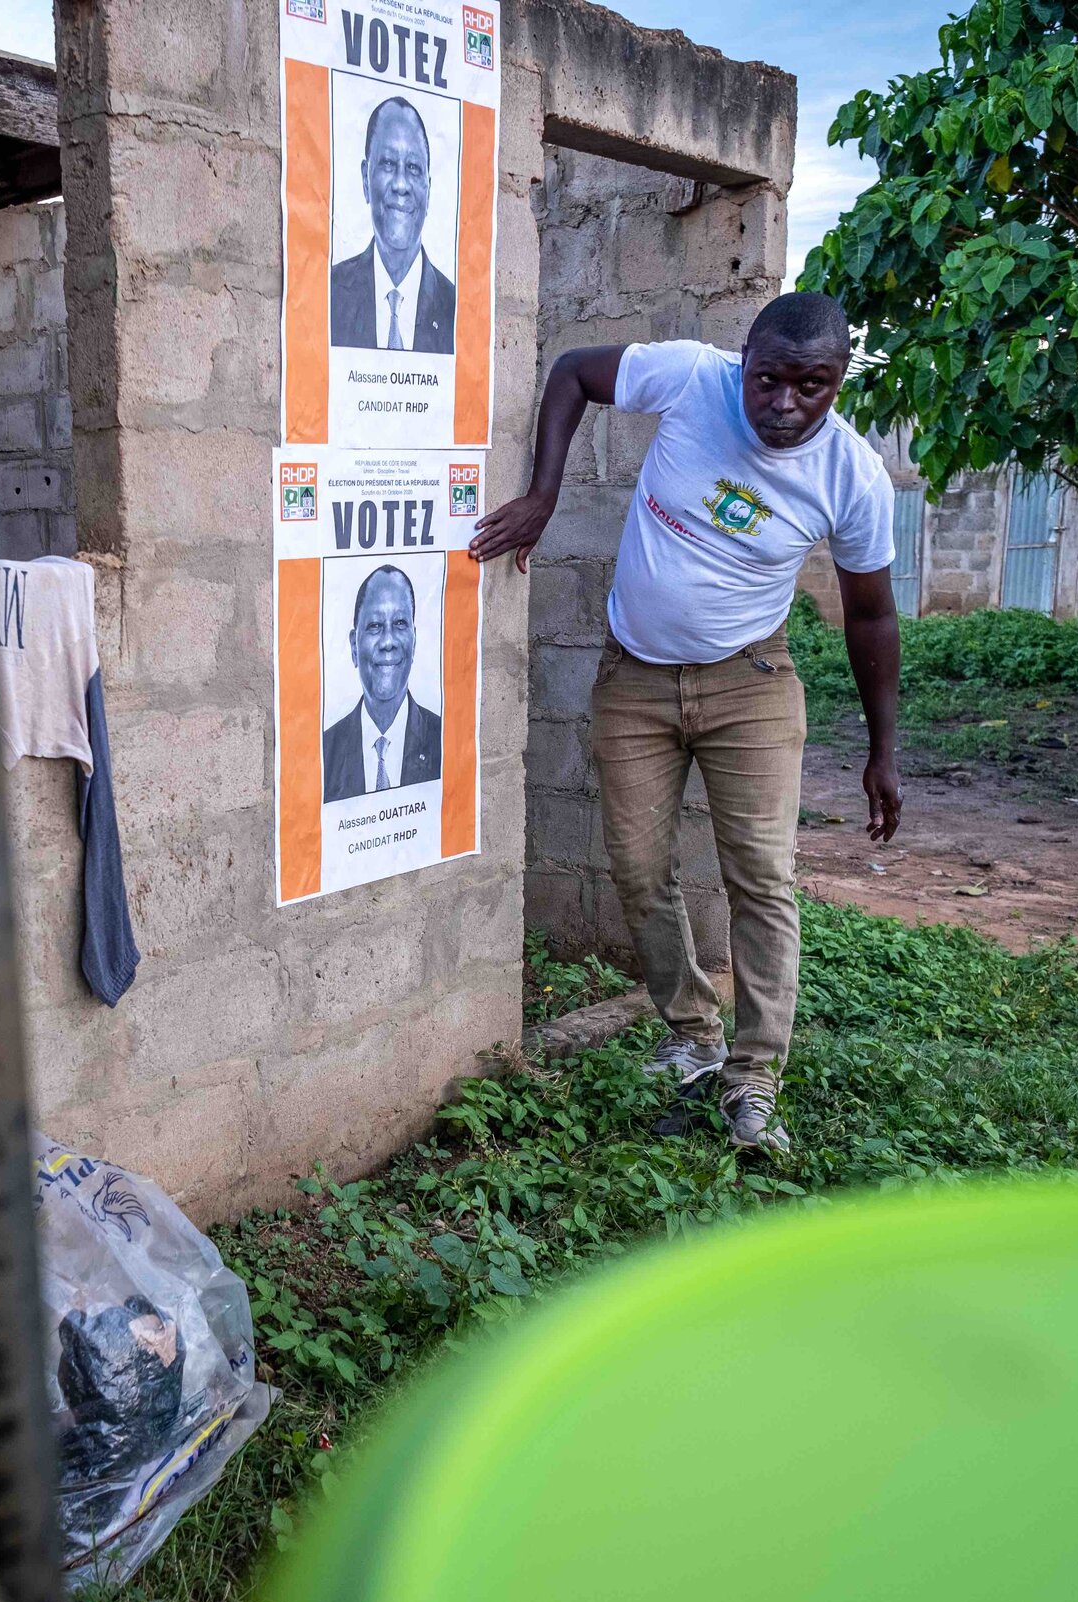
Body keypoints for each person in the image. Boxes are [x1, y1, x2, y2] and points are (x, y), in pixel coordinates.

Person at [469, 292, 903, 1154]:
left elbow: (871, 617)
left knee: (762, 880)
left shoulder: (853, 477)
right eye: (768, 379)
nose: (784, 403)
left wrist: (884, 750)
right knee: (635, 865)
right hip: (634, 676)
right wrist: (544, 494)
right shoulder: (691, 378)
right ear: (743, 360)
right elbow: (573, 374)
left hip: (752, 681)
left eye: (810, 386)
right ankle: (692, 1035)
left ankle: (753, 1079)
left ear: (839, 380)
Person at [328, 98, 455, 353]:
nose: (400, 184)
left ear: (428, 190)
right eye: (387, 163)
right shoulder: (329, 294)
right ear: (366, 179)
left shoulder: (455, 307)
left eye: (413, 167)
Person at [323, 564, 443, 800]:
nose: (388, 641)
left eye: (399, 623)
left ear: (414, 640)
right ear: (354, 646)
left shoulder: (445, 740)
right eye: (375, 626)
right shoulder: (325, 752)